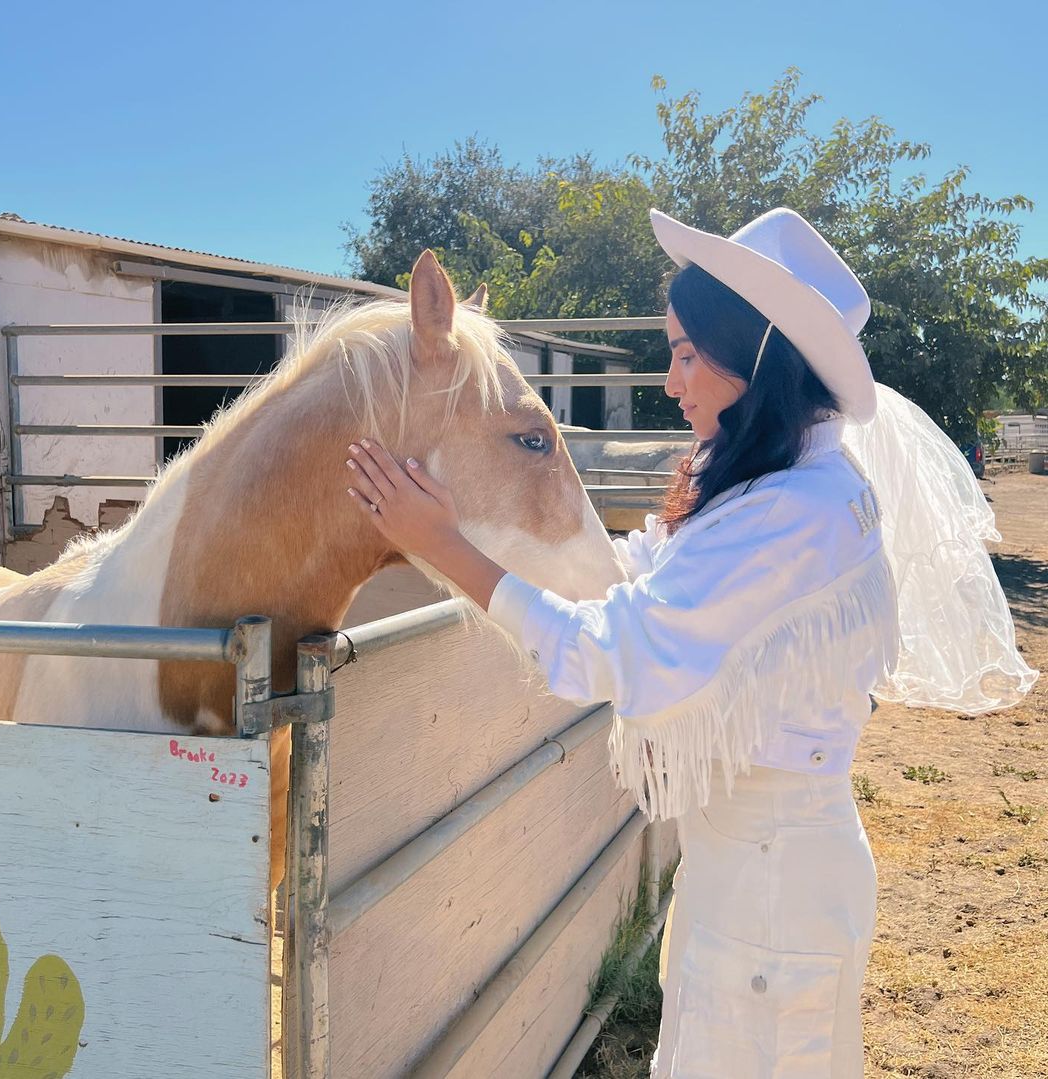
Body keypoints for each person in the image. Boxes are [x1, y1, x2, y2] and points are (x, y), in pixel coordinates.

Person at [344, 208, 1038, 1078]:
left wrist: (444, 546)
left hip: (770, 888)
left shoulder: (793, 514)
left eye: (683, 353)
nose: (670, 381)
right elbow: (661, 576)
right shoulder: (790, 479)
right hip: (756, 870)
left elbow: (615, 654)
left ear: (750, 356)